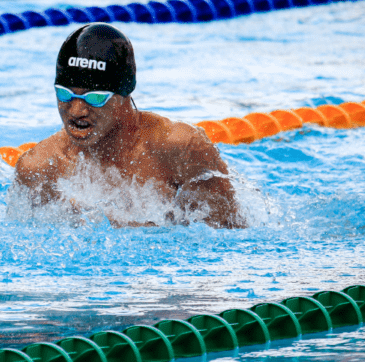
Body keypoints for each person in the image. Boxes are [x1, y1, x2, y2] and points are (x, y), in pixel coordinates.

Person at [14, 23, 246, 229]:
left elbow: (230, 234)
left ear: (123, 94)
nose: (75, 111)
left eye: (94, 97)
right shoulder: (38, 169)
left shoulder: (179, 147)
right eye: (64, 94)